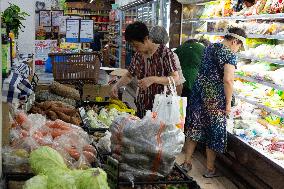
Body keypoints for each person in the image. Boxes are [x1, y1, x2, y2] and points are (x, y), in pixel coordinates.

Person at [182, 27, 247, 178]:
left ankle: (186, 162)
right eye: (239, 46)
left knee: (194, 128)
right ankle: (210, 169)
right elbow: (228, 80)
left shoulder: (209, 47)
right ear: (235, 41)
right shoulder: (229, 54)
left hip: (198, 94)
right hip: (215, 99)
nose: (237, 50)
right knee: (212, 133)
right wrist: (228, 104)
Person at [110, 22, 179, 118]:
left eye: (136, 45)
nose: (134, 49)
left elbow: (175, 78)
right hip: (142, 107)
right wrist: (116, 86)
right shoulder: (138, 56)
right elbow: (129, 75)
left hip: (161, 109)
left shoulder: (165, 53)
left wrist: (154, 79)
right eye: (132, 46)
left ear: (146, 39)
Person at [149, 26, 185, 95]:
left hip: (152, 97)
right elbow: (178, 83)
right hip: (165, 99)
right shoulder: (172, 55)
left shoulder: (146, 54)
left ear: (150, 39)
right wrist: (176, 99)